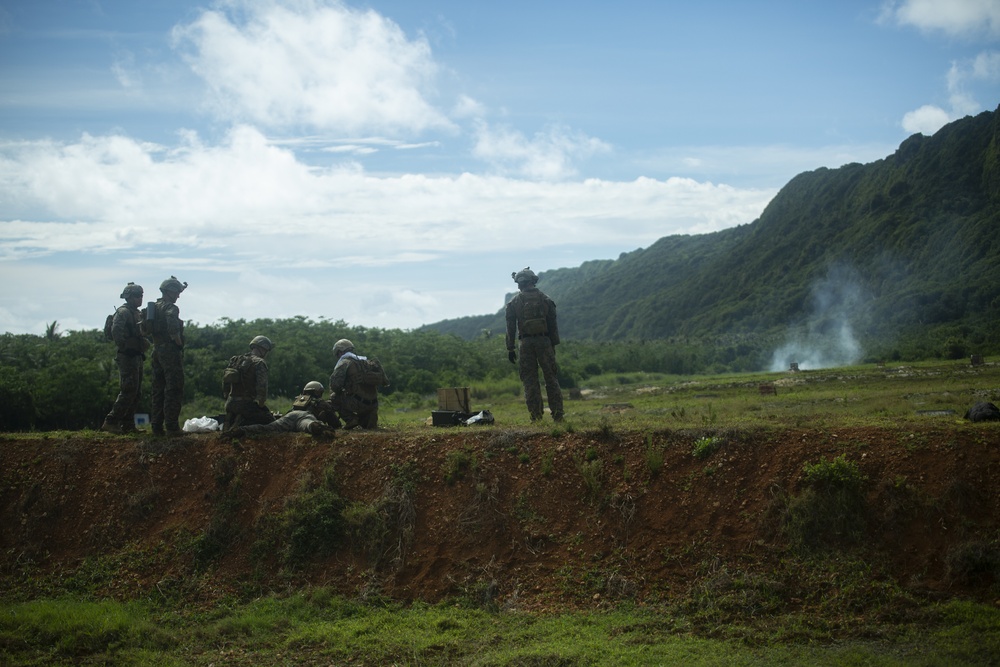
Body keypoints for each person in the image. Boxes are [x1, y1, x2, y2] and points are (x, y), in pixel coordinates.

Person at [505, 267, 564, 422]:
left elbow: (510, 328)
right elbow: (553, 325)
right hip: (545, 342)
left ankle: (536, 417)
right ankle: (558, 416)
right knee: (551, 378)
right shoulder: (546, 299)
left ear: (520, 283)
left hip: (525, 343)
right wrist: (553, 345)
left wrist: (510, 348)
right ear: (533, 281)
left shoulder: (514, 302)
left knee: (530, 381)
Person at [101, 282, 149, 434]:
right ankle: (111, 421)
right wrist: (125, 346)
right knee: (128, 390)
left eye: (141, 295)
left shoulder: (136, 312)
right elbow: (116, 331)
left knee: (136, 392)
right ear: (129, 297)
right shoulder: (123, 312)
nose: (140, 298)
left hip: (136, 355)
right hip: (127, 356)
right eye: (137, 296)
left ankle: (128, 425)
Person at [222, 381, 337, 439]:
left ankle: (241, 430)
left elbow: (289, 413)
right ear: (319, 392)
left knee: (268, 428)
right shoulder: (321, 403)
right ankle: (316, 426)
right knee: (307, 424)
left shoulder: (299, 399)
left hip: (290, 416)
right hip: (305, 416)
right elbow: (335, 423)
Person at [149, 276, 187, 436]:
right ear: (170, 292)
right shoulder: (170, 308)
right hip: (169, 351)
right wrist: (178, 342)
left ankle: (156, 426)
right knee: (174, 387)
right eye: (176, 292)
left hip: (156, 350)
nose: (178, 296)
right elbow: (173, 329)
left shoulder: (155, 307)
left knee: (158, 388)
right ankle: (171, 426)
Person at [329, 338, 389, 429]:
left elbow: (335, 386)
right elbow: (385, 382)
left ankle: (350, 419)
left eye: (337, 354)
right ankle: (368, 420)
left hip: (357, 404)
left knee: (334, 397)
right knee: (369, 427)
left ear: (340, 351)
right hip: (373, 405)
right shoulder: (366, 362)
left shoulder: (344, 362)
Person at [223, 335, 276, 431]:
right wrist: (261, 405)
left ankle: (232, 421)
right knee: (272, 423)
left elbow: (226, 382)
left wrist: (228, 398)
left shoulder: (235, 360)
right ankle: (239, 424)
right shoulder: (259, 363)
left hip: (229, 404)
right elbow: (262, 387)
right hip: (246, 406)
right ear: (263, 348)